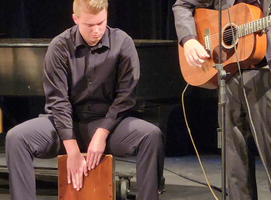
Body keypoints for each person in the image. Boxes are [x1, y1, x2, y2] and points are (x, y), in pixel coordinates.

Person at [5, 0, 164, 200]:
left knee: (151, 135)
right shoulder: (60, 46)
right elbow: (58, 101)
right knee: (16, 138)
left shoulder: (122, 43)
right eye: (89, 25)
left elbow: (125, 97)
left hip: (110, 125)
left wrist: (102, 133)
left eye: (101, 22)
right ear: (75, 19)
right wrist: (72, 150)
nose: (96, 30)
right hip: (64, 125)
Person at [173, 0, 271, 199]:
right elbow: (182, 5)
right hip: (230, 75)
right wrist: (189, 39)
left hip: (270, 79)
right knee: (235, 168)